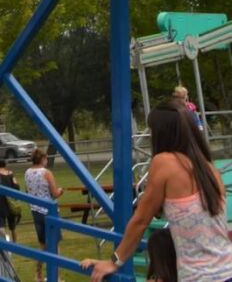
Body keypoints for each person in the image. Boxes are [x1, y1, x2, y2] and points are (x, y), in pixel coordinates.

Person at [84, 99, 232, 282]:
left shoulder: (165, 162)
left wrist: (114, 261)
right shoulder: (210, 170)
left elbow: (141, 220)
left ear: (163, 133)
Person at [24, 148, 62, 282]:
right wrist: (61, 191)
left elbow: (27, 190)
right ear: (42, 159)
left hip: (35, 211)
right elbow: (55, 193)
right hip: (48, 212)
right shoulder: (46, 173)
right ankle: (56, 277)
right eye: (46, 158)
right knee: (55, 244)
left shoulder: (27, 172)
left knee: (43, 245)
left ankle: (38, 274)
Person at [0, 158, 21, 242]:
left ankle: (5, 243)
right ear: (5, 164)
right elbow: (17, 186)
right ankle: (14, 244)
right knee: (13, 227)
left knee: (1, 225)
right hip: (10, 202)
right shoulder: (10, 174)